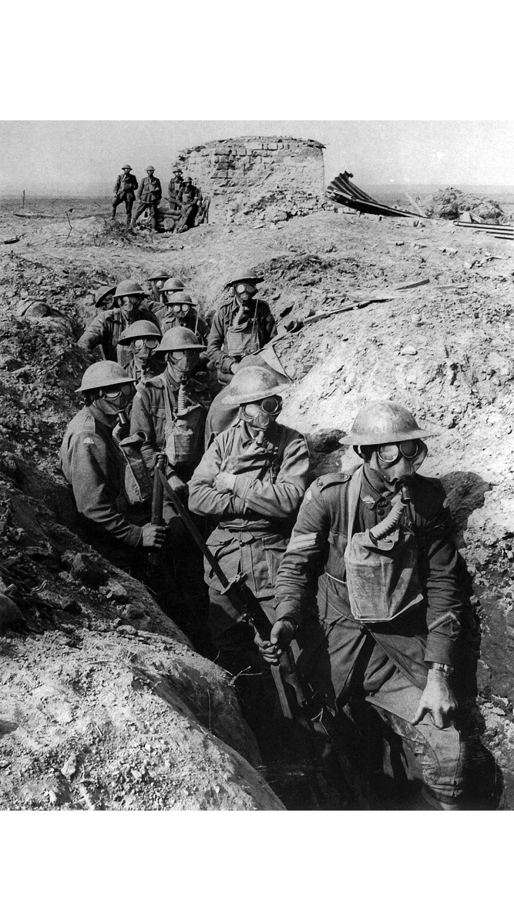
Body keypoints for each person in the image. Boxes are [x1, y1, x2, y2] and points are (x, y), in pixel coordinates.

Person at [267, 400, 469, 810]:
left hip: (397, 650)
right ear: (363, 453)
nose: (403, 465)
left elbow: (446, 586)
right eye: (389, 453)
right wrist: (286, 618)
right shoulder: (329, 497)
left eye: (411, 450)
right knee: (314, 754)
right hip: (332, 645)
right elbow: (295, 566)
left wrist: (438, 673)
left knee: (449, 757)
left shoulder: (426, 502)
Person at [188, 366, 310, 716]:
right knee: (230, 648)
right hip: (225, 558)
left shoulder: (292, 442)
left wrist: (236, 484)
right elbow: (197, 496)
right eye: (259, 404)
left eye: (273, 402)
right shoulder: (223, 443)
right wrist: (252, 503)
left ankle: (301, 733)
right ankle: (250, 724)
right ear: (242, 409)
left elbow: (288, 499)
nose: (269, 411)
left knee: (285, 649)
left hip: (270, 556)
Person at [60, 361, 165, 572]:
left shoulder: (107, 425)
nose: (123, 396)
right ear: (96, 394)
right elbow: (91, 507)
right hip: (107, 540)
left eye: (125, 388)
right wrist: (137, 535)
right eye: (113, 391)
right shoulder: (88, 436)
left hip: (120, 521)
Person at [129, 327, 207, 508]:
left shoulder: (202, 392)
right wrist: (169, 475)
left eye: (191, 353)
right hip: (161, 475)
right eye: (179, 354)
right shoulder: (148, 392)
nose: (185, 360)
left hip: (197, 476)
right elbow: (142, 445)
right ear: (166, 357)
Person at [207, 268, 277, 389]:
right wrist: (232, 365)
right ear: (234, 289)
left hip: (257, 371)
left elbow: (273, 341)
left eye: (249, 286)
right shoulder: (224, 311)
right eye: (240, 287)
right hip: (232, 375)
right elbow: (212, 349)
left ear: (254, 288)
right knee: (219, 408)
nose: (245, 291)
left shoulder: (262, 309)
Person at [78, 280, 159, 365]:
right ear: (119, 301)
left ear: (140, 300)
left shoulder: (149, 318)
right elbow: (86, 341)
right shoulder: (106, 319)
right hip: (116, 372)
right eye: (124, 300)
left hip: (144, 369)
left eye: (133, 299)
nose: (129, 305)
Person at [117, 319, 164, 387]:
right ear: (131, 346)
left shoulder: (164, 369)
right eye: (138, 343)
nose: (144, 348)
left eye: (150, 342)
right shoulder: (124, 373)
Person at [131, 167, 163, 232]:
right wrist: (138, 198)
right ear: (147, 172)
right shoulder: (144, 180)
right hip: (144, 198)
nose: (150, 172)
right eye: (148, 171)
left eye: (151, 171)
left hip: (153, 199)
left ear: (153, 172)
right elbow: (140, 189)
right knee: (138, 211)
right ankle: (131, 225)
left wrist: (159, 199)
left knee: (153, 214)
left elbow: (159, 191)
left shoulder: (157, 180)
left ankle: (153, 228)